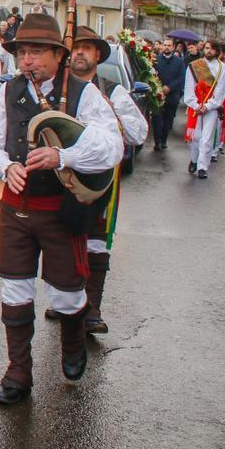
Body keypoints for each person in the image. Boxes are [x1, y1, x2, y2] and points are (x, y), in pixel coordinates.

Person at [0, 13, 123, 405]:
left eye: (36, 52)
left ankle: (73, 342)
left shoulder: (84, 93)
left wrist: (64, 155)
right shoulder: (8, 93)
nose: (28, 61)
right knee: (15, 288)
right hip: (17, 208)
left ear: (58, 55)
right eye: (22, 52)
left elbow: (111, 146)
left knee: (67, 296)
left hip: (61, 209)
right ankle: (18, 371)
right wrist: (7, 166)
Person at [44, 26, 147, 336]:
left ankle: (93, 309)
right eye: (75, 47)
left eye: (86, 48)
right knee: (60, 237)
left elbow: (138, 133)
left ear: (98, 55)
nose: (79, 52)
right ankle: (65, 299)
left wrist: (110, 110)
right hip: (60, 178)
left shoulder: (113, 90)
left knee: (96, 242)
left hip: (99, 183)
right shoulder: (56, 88)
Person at [183, 40, 225, 180]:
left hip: (212, 108)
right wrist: (195, 105)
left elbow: (221, 91)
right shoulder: (194, 66)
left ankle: (203, 167)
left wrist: (208, 106)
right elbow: (188, 87)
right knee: (195, 137)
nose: (208, 51)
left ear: (217, 51)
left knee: (207, 138)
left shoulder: (224, 69)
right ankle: (194, 159)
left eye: (212, 49)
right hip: (195, 107)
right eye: (207, 48)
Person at [151, 39, 185, 150]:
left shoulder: (179, 62)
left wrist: (170, 87)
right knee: (156, 119)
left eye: (169, 45)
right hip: (157, 95)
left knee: (167, 120)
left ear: (173, 47)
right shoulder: (155, 60)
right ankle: (156, 141)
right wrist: (158, 87)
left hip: (172, 96)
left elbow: (181, 78)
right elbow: (151, 75)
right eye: (165, 45)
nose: (166, 47)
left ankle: (164, 140)